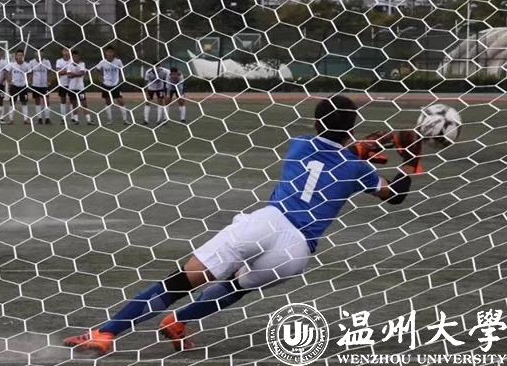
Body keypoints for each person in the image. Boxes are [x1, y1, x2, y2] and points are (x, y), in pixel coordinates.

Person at [64, 95, 423, 354]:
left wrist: (373, 142)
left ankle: (107, 334)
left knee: (181, 280)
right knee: (235, 287)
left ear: (316, 124)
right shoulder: (359, 169)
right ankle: (178, 321)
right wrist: (409, 159)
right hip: (297, 250)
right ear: (352, 127)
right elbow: (394, 196)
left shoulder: (301, 145)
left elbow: (338, 149)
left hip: (268, 221)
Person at [95, 46, 129, 125]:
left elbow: (122, 70)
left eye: (111, 52)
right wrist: (100, 78)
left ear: (113, 53)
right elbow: (96, 70)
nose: (109, 54)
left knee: (121, 101)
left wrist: (120, 79)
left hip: (116, 84)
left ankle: (125, 120)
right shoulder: (103, 62)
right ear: (106, 53)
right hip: (106, 84)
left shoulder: (118, 61)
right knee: (108, 102)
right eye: (108, 52)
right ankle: (109, 120)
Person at [6, 49, 33, 125]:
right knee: (12, 102)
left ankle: (25, 120)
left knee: (24, 102)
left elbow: (30, 73)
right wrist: (9, 82)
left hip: (23, 86)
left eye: (21, 55)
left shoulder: (27, 65)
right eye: (18, 55)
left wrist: (28, 81)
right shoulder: (12, 65)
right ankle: (11, 120)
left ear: (23, 56)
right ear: (16, 56)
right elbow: (7, 73)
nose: (20, 56)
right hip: (14, 86)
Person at [66, 50, 93, 126]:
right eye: (73, 56)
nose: (75, 58)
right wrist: (76, 74)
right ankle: (76, 120)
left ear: (79, 57)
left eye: (76, 56)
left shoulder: (82, 64)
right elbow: (68, 75)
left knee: (84, 104)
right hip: (72, 88)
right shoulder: (69, 65)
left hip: (80, 88)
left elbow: (82, 73)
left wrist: (73, 74)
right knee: (74, 104)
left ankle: (88, 120)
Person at [30, 51, 52, 125]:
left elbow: (49, 71)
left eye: (41, 52)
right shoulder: (31, 62)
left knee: (47, 101)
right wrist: (30, 80)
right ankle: (39, 118)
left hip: (44, 85)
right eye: (37, 52)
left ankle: (47, 118)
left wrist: (49, 80)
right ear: (35, 54)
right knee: (37, 101)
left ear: (43, 54)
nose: (39, 54)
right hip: (35, 84)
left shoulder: (47, 62)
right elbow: (30, 72)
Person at [55, 48, 72, 124]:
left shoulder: (72, 60)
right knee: (63, 100)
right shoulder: (59, 61)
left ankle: (73, 118)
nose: (66, 52)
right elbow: (58, 72)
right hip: (62, 83)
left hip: (72, 84)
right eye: (64, 50)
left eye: (67, 50)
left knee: (73, 100)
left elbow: (74, 71)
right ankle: (63, 118)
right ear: (62, 52)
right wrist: (68, 71)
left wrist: (64, 71)